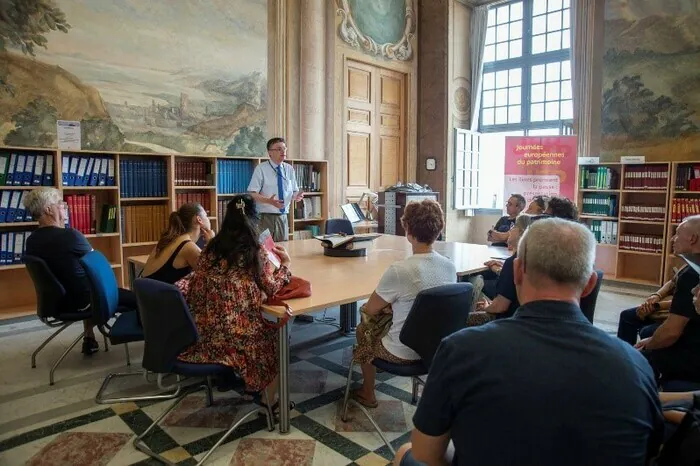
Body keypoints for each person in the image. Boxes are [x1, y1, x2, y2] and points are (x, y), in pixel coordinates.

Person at [394, 218, 664, 466]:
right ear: (590, 284)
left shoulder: (461, 349)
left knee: (405, 453)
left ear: (517, 272)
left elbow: (426, 454)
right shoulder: (635, 366)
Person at [175, 194, 291, 411]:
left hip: (202, 331)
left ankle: (250, 385)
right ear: (255, 220)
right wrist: (285, 265)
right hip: (236, 338)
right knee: (280, 340)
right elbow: (272, 288)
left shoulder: (211, 247)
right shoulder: (255, 251)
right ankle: (270, 402)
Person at [351, 199, 456, 408]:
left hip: (402, 353)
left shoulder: (400, 270)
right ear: (439, 228)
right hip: (437, 350)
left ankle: (368, 392)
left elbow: (370, 308)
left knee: (363, 329)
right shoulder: (449, 267)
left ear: (408, 232)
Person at [23, 187, 137, 355]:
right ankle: (154, 341)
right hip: (82, 301)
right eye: (60, 204)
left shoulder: (31, 241)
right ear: (48, 210)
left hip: (57, 303)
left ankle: (89, 337)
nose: (65, 207)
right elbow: (98, 265)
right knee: (139, 299)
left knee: (83, 281)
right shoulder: (70, 236)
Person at [637, 216, 700, 383]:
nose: (672, 238)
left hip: (693, 358)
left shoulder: (691, 274)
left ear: (692, 239)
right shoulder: (691, 266)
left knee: (641, 358)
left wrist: (646, 346)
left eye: (677, 234)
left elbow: (671, 333)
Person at [470, 214, 533, 325]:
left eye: (513, 227)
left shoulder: (513, 262)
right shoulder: (529, 258)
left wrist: (487, 306)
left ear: (521, 232)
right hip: (523, 318)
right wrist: (502, 269)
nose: (510, 231)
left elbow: (500, 307)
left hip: (506, 322)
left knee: (474, 282)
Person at [247, 137, 304, 242]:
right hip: (265, 217)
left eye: (284, 148)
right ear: (270, 153)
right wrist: (270, 201)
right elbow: (252, 194)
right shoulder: (261, 168)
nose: (283, 151)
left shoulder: (289, 169)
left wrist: (297, 196)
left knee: (282, 249)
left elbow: (294, 191)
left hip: (283, 217)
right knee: (264, 251)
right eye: (279, 149)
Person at [141, 203, 214, 284]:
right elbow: (213, 276)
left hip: (147, 294)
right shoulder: (188, 247)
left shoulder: (169, 239)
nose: (208, 218)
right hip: (163, 295)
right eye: (206, 215)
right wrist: (212, 242)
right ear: (199, 219)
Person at [616, 271, 680, 345]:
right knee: (626, 316)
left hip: (676, 314)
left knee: (646, 331)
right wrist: (657, 295)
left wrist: (656, 306)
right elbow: (672, 282)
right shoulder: (686, 267)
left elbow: (684, 303)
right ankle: (624, 354)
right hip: (663, 306)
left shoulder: (692, 273)